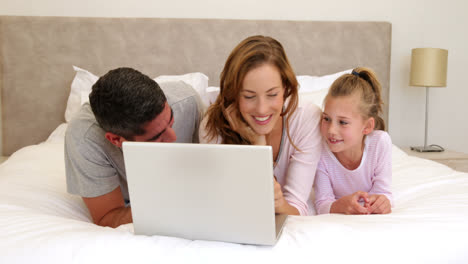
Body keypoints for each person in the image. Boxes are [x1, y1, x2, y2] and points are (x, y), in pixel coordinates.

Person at [199, 35, 322, 216]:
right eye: (249, 96)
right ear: (234, 94)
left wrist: (280, 205)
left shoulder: (306, 118)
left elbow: (297, 209)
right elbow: (222, 205)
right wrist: (258, 143)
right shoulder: (212, 126)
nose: (262, 109)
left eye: (272, 94)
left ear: (286, 88)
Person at [65, 67, 202, 228]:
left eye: (171, 120)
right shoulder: (84, 140)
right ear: (116, 139)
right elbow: (108, 217)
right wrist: (175, 204)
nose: (174, 138)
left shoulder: (187, 101)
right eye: (156, 137)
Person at [314, 67, 393, 215]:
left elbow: (384, 194)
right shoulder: (320, 150)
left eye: (343, 122)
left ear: (367, 126)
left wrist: (382, 203)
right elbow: (322, 203)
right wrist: (339, 206)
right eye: (327, 119)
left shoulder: (380, 143)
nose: (331, 130)